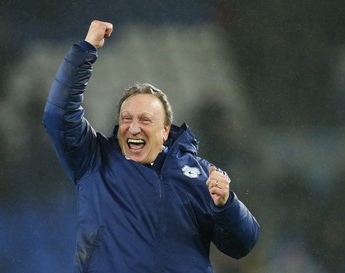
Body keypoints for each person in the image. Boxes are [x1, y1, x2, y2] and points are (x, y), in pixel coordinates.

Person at [43, 20, 259, 273]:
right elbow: (58, 115)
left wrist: (227, 205)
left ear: (165, 130)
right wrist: (86, 49)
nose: (134, 128)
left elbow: (242, 244)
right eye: (126, 119)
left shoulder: (200, 173)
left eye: (145, 120)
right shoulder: (93, 160)